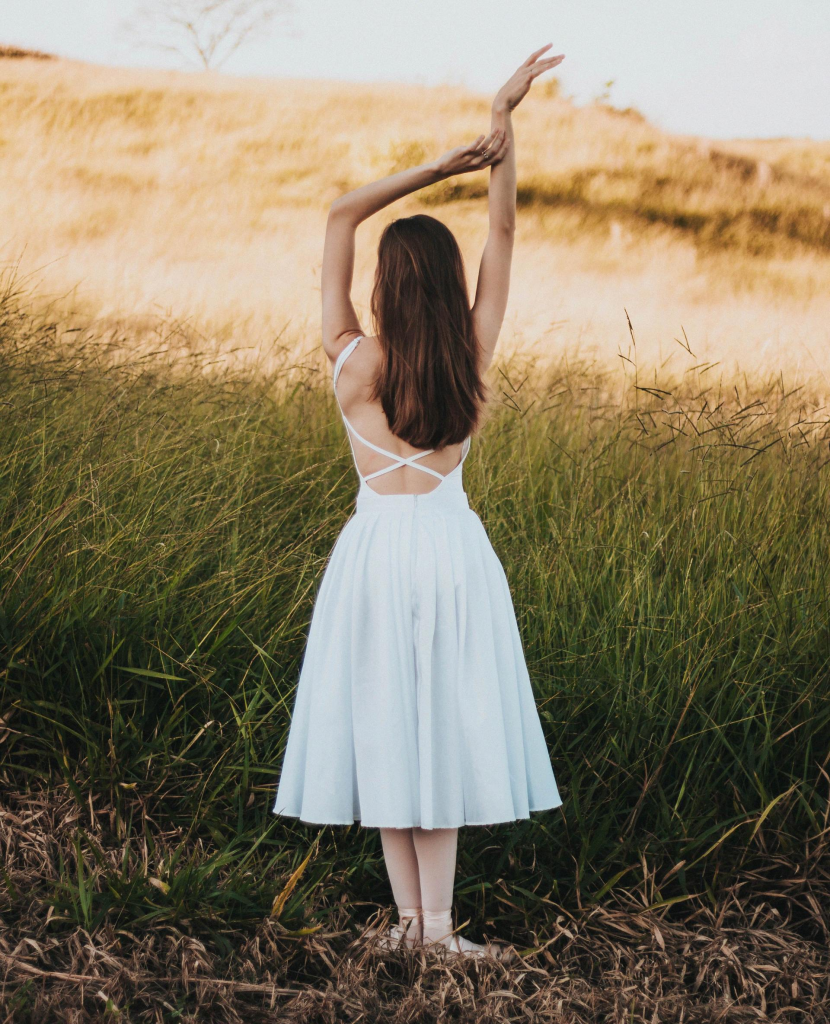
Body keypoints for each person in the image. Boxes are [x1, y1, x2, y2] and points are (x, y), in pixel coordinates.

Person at [273, 44, 566, 960]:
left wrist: (436, 166)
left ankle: (417, 928)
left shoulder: (353, 361)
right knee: (434, 728)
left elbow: (337, 216)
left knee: (394, 729)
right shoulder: (468, 358)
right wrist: (502, 128)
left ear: (383, 286)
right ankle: (429, 931)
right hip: (448, 549)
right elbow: (506, 237)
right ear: (443, 288)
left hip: (370, 552)